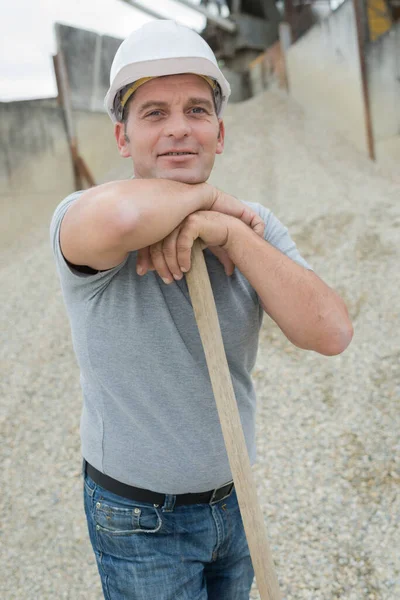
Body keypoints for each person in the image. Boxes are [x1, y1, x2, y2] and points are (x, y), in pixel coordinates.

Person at [50, 19, 353, 600]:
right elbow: (123, 220)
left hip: (234, 497)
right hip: (140, 519)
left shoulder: (252, 226)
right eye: (154, 113)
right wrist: (210, 199)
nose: (178, 130)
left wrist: (231, 236)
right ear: (122, 138)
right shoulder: (84, 215)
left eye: (195, 110)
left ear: (220, 131)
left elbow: (332, 332)